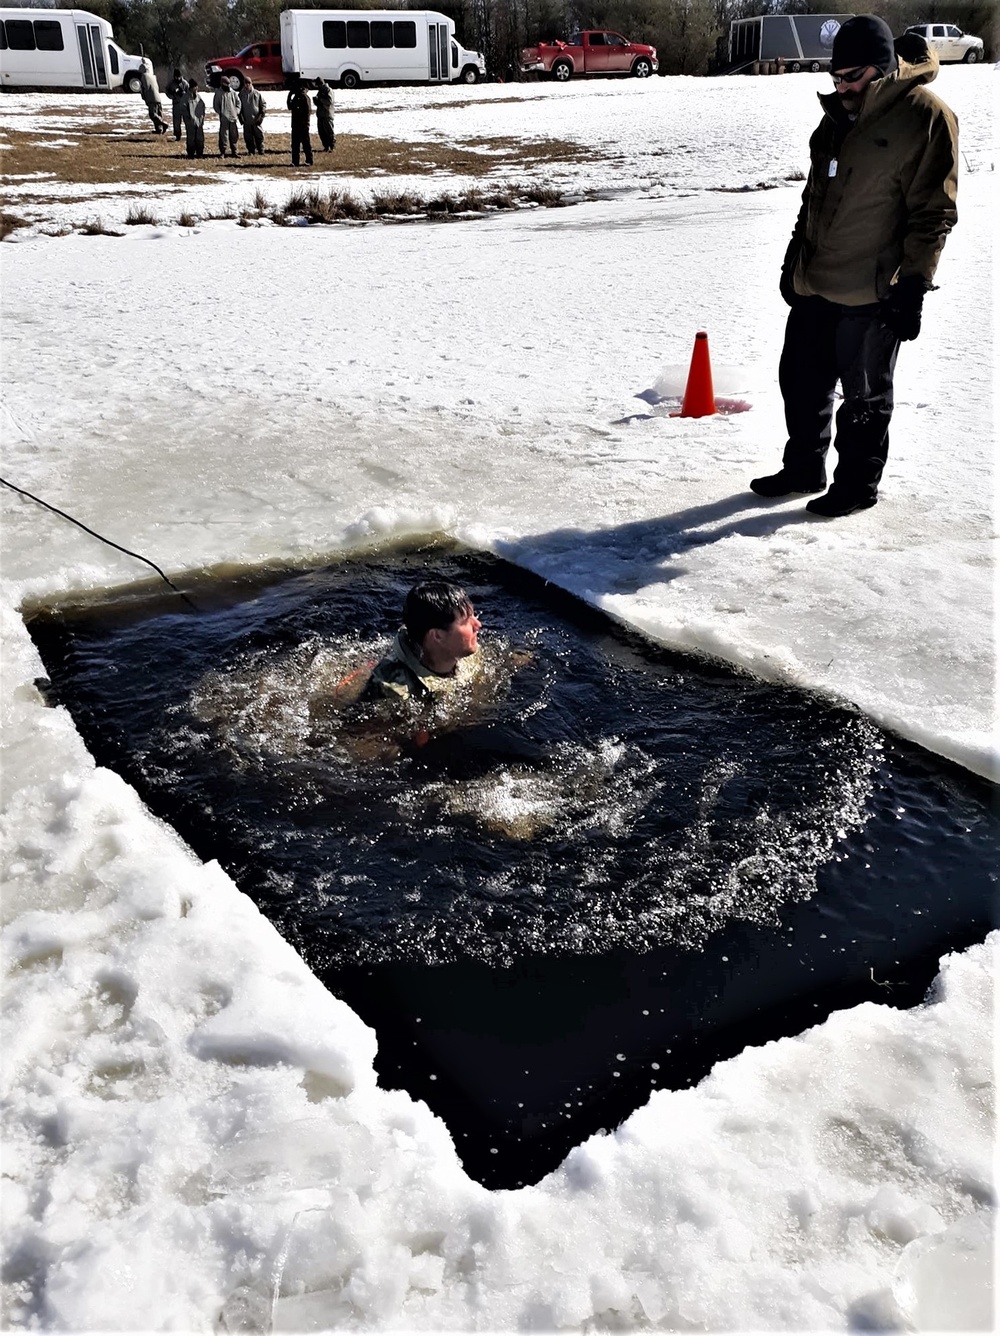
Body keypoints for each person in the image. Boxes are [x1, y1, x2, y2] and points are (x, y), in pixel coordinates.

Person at [750, 14, 958, 518]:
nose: (841, 87)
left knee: (865, 396)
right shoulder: (837, 117)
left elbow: (933, 213)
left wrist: (913, 285)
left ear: (882, 68)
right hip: (817, 281)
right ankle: (803, 467)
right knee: (800, 381)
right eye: (835, 78)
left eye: (852, 77)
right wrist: (793, 262)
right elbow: (814, 195)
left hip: (873, 289)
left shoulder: (925, 116)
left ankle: (857, 485)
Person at [363, 582, 481, 703]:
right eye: (466, 621)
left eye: (474, 615)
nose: (478, 625)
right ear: (437, 635)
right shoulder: (392, 692)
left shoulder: (470, 655)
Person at [138, 59, 169, 135]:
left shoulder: (144, 77)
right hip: (158, 97)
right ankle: (159, 129)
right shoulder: (153, 76)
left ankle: (163, 124)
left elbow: (146, 87)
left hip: (151, 98)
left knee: (153, 114)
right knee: (158, 113)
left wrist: (144, 95)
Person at [287, 79, 313, 167]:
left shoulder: (304, 97)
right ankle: (295, 161)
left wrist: (306, 124)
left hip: (303, 125)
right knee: (295, 145)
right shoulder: (296, 97)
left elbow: (308, 111)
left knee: (306, 144)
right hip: (295, 125)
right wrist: (289, 96)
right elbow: (289, 106)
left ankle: (309, 160)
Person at [213, 79, 241, 157]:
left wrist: (236, 112)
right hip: (224, 118)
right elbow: (216, 105)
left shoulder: (233, 93)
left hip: (233, 118)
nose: (228, 85)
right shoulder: (218, 93)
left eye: (229, 84)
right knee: (223, 136)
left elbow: (238, 103)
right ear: (222, 84)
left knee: (234, 135)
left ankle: (234, 152)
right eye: (226, 84)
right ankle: (223, 152)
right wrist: (221, 112)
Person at [238, 78, 266, 155]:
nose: (247, 85)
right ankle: (251, 150)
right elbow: (238, 106)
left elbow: (263, 105)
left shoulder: (257, 94)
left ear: (251, 83)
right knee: (248, 137)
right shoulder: (241, 94)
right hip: (246, 120)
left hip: (256, 119)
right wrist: (240, 117)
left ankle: (261, 149)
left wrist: (261, 116)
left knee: (259, 136)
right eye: (246, 83)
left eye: (249, 83)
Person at [183, 80, 206, 158]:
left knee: (200, 138)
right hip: (190, 122)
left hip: (199, 121)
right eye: (195, 87)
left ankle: (200, 153)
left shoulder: (199, 97)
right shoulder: (186, 97)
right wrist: (188, 119)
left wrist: (202, 117)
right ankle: (191, 153)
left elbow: (203, 107)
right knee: (191, 138)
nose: (196, 88)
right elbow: (183, 109)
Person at [165, 67, 189, 141]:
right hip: (176, 104)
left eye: (179, 76)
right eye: (176, 77)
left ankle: (189, 134)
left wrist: (183, 94)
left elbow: (189, 94)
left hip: (184, 105)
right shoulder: (171, 84)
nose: (178, 78)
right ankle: (177, 135)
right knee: (176, 121)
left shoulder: (185, 83)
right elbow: (167, 91)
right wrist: (173, 96)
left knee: (187, 121)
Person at [314, 76, 335, 152]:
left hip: (327, 114)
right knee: (322, 132)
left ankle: (331, 146)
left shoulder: (328, 90)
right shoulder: (320, 90)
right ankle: (326, 146)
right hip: (320, 114)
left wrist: (320, 100)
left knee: (329, 131)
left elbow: (329, 101)